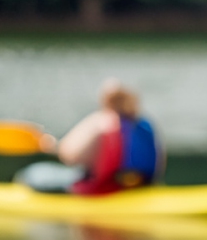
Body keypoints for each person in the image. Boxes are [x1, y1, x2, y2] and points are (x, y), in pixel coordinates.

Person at [14, 80, 163, 194]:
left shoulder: (102, 122)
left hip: (100, 190)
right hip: (141, 187)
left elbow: (70, 156)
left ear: (105, 101)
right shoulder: (144, 124)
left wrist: (53, 146)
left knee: (30, 174)